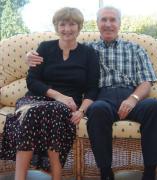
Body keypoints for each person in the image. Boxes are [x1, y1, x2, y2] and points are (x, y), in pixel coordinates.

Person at [26, 6, 157, 180]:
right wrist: (30, 55)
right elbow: (62, 54)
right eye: (103, 20)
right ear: (97, 24)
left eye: (112, 20)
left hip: (131, 96)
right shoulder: (87, 50)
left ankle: (150, 172)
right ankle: (105, 172)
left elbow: (146, 81)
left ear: (119, 23)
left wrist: (133, 98)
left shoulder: (135, 49)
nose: (108, 24)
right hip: (103, 98)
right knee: (97, 110)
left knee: (156, 106)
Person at [0, 7, 99, 180]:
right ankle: (21, 177)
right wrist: (59, 96)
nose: (67, 29)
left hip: (66, 105)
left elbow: (92, 88)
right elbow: (32, 81)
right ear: (56, 26)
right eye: (62, 24)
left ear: (79, 26)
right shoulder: (45, 48)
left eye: (72, 24)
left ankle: (55, 175)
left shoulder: (89, 53)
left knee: (53, 112)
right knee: (32, 112)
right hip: (35, 99)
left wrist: (81, 111)